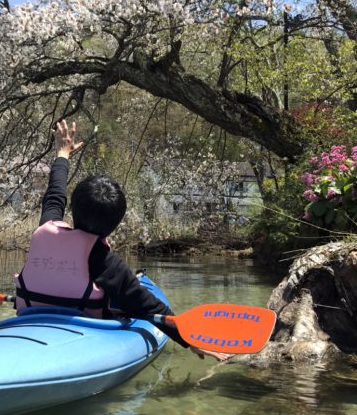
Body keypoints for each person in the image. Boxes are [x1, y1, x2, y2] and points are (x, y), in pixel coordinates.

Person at [14, 119, 228, 361]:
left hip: (32, 317)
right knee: (117, 300)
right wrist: (190, 342)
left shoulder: (45, 230)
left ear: (72, 209)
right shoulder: (107, 264)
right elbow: (150, 308)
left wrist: (62, 153)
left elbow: (55, 195)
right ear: (114, 225)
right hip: (83, 329)